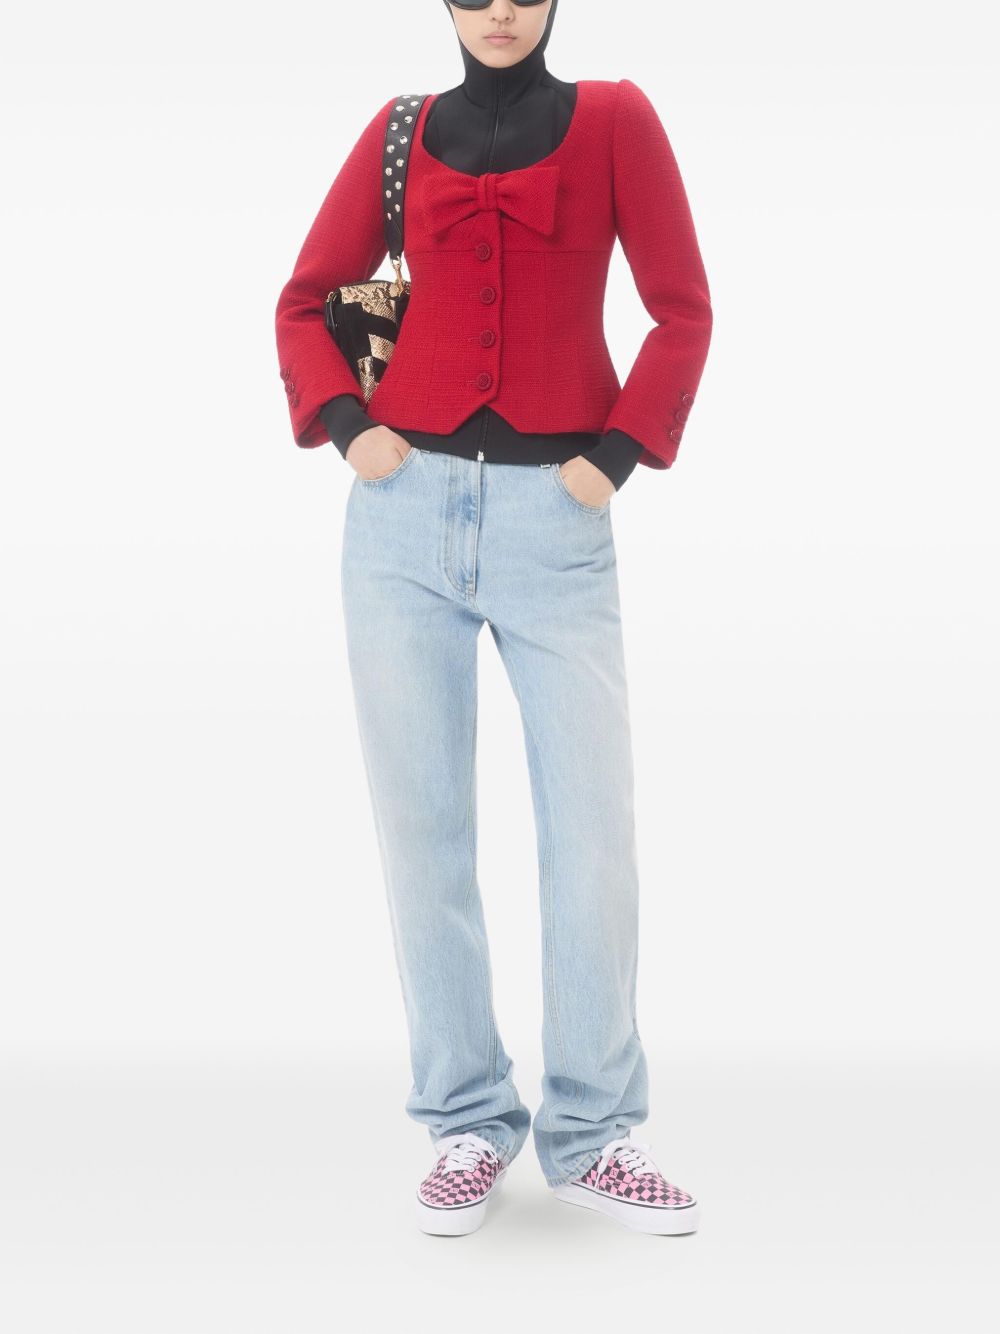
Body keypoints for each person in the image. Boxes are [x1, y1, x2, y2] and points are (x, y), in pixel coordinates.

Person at [274, 0, 713, 1237]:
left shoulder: (617, 121)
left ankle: (592, 1131)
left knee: (592, 832)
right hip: (399, 518)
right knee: (423, 831)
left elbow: (683, 308)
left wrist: (614, 457)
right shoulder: (399, 130)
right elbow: (301, 301)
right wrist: (348, 429)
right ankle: (466, 1118)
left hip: (554, 522)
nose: (500, 11)